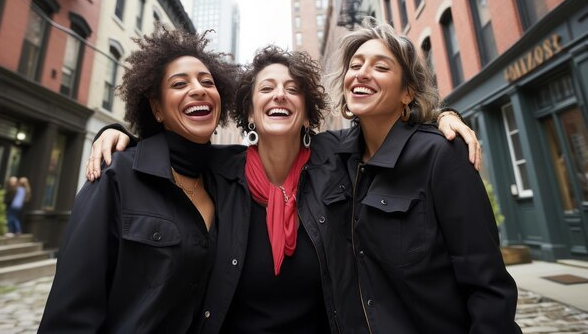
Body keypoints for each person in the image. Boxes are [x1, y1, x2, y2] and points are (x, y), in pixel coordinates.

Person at [86, 45, 481, 332]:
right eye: (266, 89)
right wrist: (117, 134)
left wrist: (443, 116)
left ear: (307, 111)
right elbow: (173, 150)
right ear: (249, 111)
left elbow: (390, 129)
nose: (280, 95)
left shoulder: (339, 159)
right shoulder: (220, 171)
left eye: (292, 89)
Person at [38, 25, 238, 333]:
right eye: (179, 83)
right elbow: (71, 312)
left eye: (207, 81)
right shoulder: (115, 175)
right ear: (157, 108)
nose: (198, 89)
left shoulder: (228, 183)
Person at [328, 19, 521, 332]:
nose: (361, 73)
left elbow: (488, 288)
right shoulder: (333, 157)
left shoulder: (441, 154)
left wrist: (447, 115)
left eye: (380, 67)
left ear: (407, 93)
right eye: (355, 65)